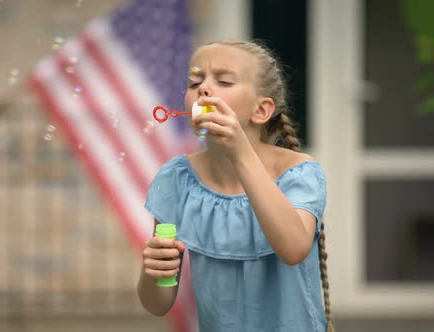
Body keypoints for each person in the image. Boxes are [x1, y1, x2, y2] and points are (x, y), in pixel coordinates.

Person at [137, 40, 334, 332]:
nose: (203, 88)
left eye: (224, 80)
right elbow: (158, 303)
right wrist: (152, 272)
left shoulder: (297, 173)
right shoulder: (177, 180)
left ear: (261, 111)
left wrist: (240, 153)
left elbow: (293, 248)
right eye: (195, 82)